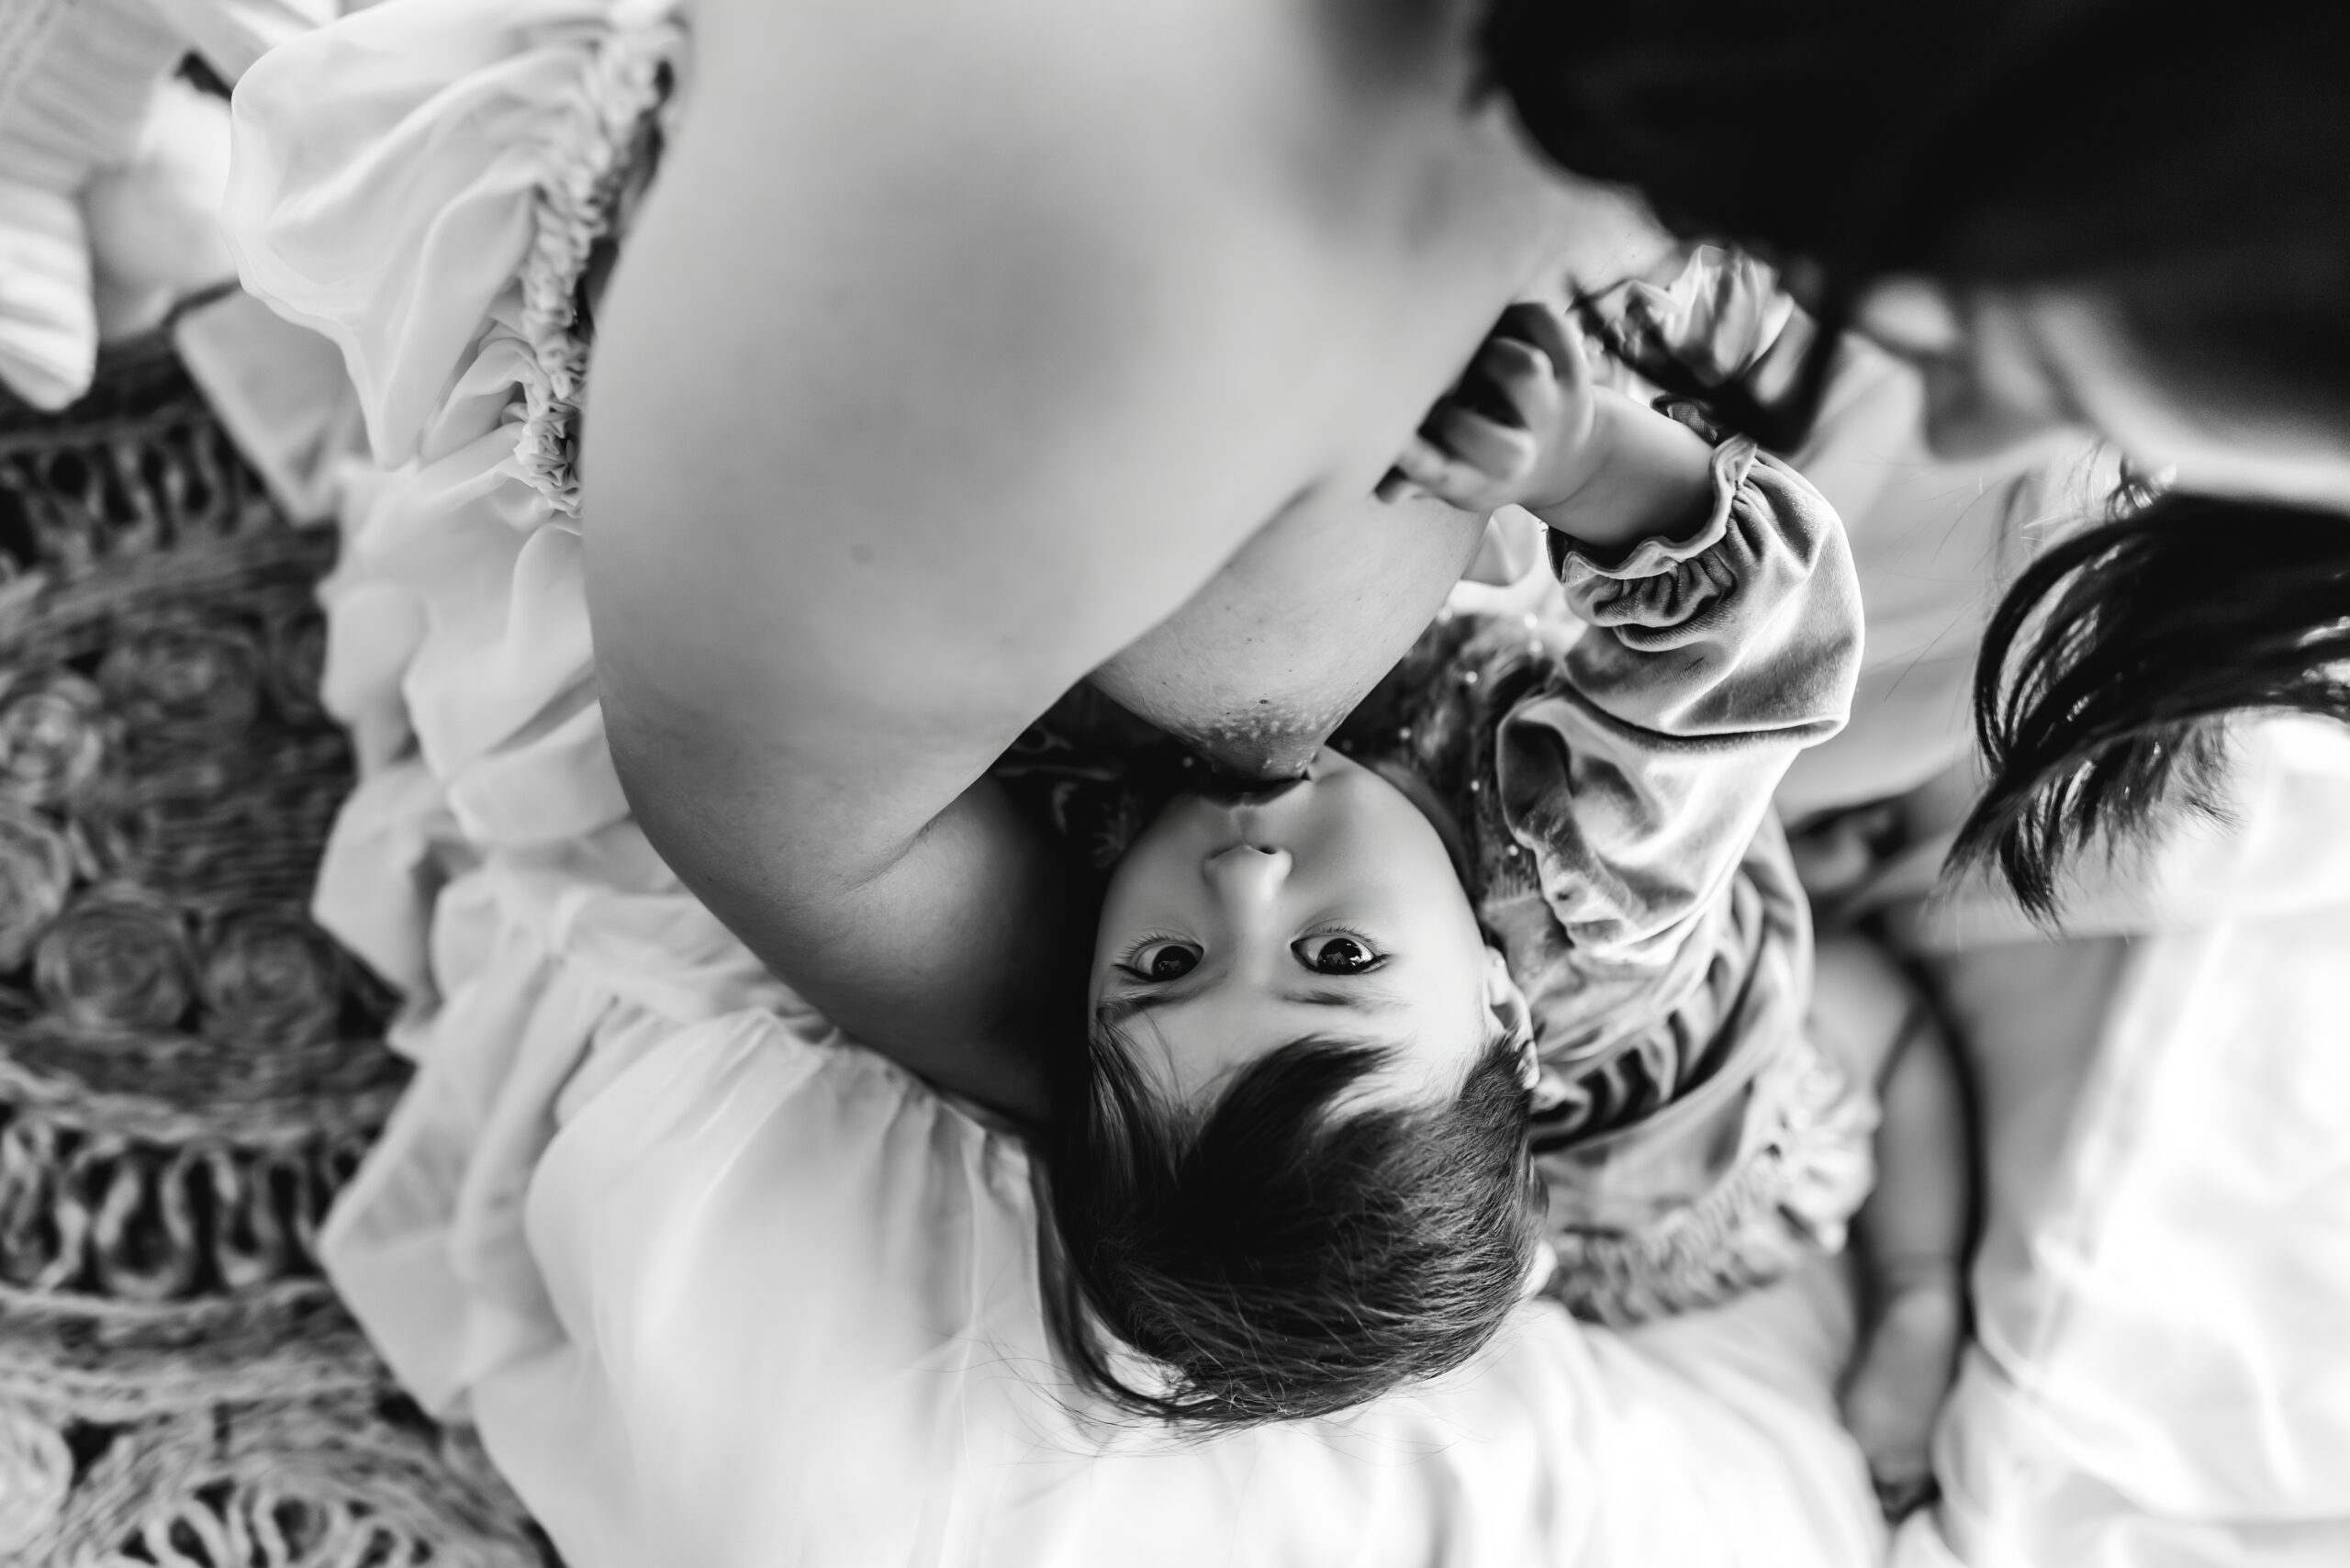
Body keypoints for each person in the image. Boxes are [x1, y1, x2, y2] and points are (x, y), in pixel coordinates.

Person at [1482, 0, 2350, 911]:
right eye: (2045, 378)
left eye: (2148, 459)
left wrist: (1752, 876)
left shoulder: (1980, 658)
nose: (1953, 433)